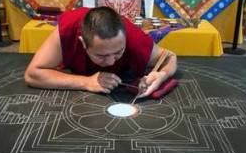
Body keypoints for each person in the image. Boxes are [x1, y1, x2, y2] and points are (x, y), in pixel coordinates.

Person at [24, 7, 177, 97]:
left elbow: (170, 57)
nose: (111, 61)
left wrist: (162, 75)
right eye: (101, 55)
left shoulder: (132, 36)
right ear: (83, 43)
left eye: (118, 52)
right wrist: (85, 82)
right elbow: (32, 74)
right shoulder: (68, 30)